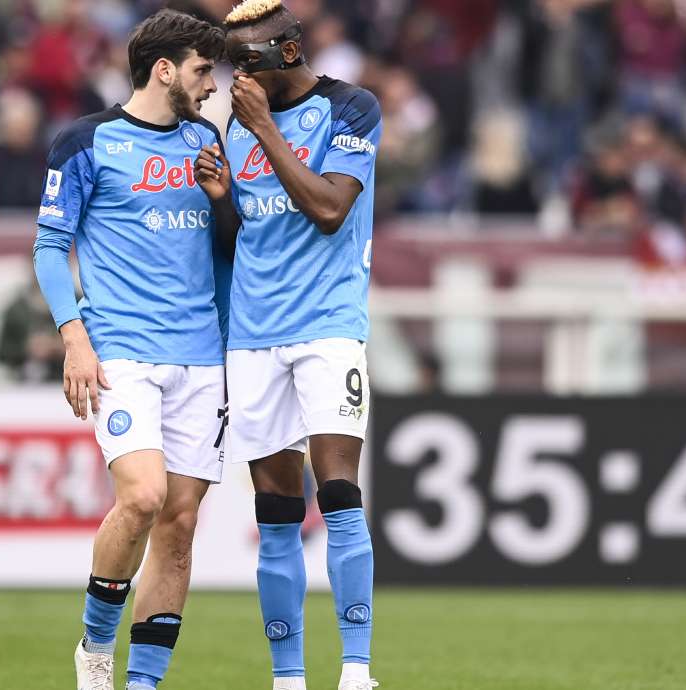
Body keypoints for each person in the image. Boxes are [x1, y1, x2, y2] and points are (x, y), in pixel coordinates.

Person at [31, 11, 233, 690]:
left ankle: (143, 685)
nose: (213, 84)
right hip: (123, 351)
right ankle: (94, 646)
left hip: (203, 357)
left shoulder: (208, 141)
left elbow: (226, 250)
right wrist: (74, 338)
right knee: (143, 498)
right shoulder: (85, 141)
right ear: (166, 69)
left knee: (179, 524)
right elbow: (50, 247)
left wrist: (223, 202)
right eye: (204, 69)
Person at [197, 1, 382, 689]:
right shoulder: (238, 129)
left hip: (329, 328)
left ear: (289, 53)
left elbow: (331, 210)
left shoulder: (351, 109)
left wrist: (265, 130)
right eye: (230, 63)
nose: (236, 77)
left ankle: (357, 671)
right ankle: (288, 679)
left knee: (338, 496)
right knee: (276, 515)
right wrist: (221, 201)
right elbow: (243, 237)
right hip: (253, 337)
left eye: (248, 62)